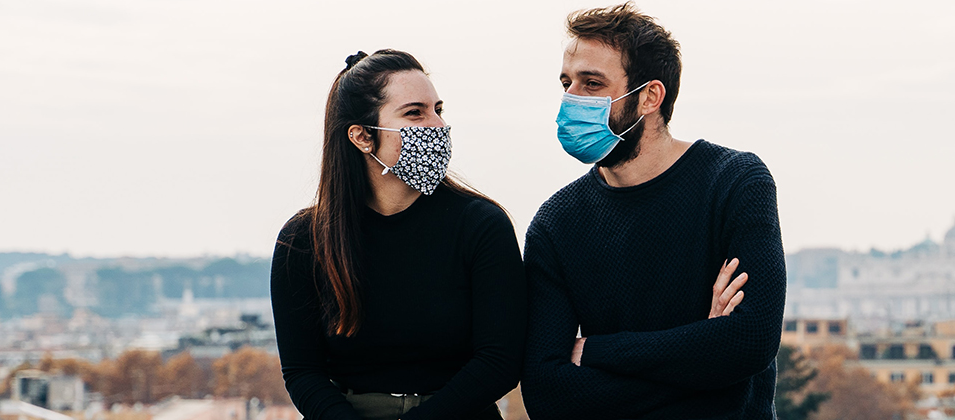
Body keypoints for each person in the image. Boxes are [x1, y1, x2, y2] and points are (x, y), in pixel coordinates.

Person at [520, 3, 786, 419]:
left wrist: (596, 351)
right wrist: (704, 360)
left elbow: (749, 340)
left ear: (649, 96)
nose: (570, 99)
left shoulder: (734, 182)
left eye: (592, 84)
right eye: (566, 82)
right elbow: (546, 393)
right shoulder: (556, 223)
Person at [270, 49, 526, 420]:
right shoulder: (304, 241)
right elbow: (302, 372)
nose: (437, 125)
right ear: (361, 137)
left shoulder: (481, 225)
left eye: (438, 109)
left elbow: (500, 360)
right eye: (415, 113)